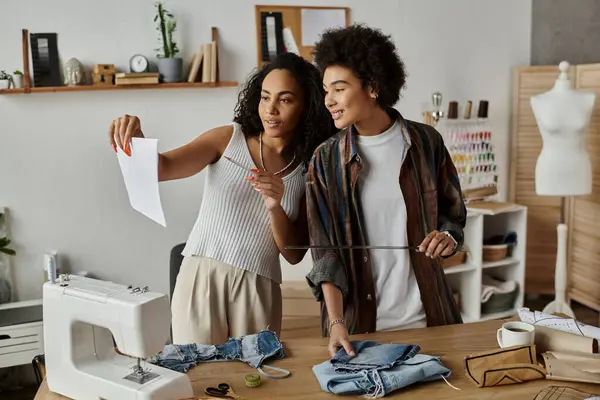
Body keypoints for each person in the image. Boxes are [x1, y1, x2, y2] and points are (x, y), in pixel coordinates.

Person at [108, 53, 334, 345]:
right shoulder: (227, 139)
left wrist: (275, 206)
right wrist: (135, 137)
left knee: (255, 380)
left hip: (260, 286)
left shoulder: (310, 168)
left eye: (285, 100)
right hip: (202, 277)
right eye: (265, 98)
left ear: (307, 107)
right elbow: (161, 169)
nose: (271, 109)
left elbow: (293, 253)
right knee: (199, 377)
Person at [305, 24, 467, 357]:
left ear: (373, 86)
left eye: (339, 88)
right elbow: (325, 253)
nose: (329, 101)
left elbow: (454, 219)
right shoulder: (325, 160)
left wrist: (447, 240)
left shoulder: (426, 143)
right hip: (358, 328)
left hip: (430, 319)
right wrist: (336, 321)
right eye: (326, 90)